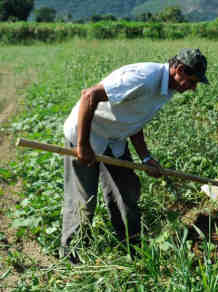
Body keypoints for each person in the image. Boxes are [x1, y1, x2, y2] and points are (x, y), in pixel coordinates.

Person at [61, 48, 209, 258]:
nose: (193, 88)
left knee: (127, 191)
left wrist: (146, 158)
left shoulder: (167, 89)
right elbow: (89, 96)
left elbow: (135, 120)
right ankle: (70, 256)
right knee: (83, 200)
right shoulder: (144, 78)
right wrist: (83, 145)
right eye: (192, 81)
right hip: (86, 134)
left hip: (114, 139)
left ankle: (131, 247)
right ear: (179, 69)